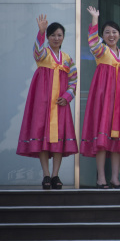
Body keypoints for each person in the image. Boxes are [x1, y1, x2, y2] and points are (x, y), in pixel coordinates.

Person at [17, 15, 78, 189]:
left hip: (60, 105)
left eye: (59, 35)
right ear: (48, 37)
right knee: (42, 138)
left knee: (59, 139)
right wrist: (41, 32)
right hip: (42, 104)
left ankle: (55, 175)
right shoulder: (43, 55)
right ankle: (45, 175)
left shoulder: (67, 59)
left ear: (63, 37)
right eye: (52, 35)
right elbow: (36, 51)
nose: (56, 38)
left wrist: (67, 97)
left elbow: (74, 80)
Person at [81, 6, 120, 189]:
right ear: (103, 36)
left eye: (114, 32)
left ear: (119, 35)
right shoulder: (101, 51)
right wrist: (95, 20)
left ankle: (115, 178)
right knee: (102, 139)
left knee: (117, 142)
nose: (111, 35)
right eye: (107, 32)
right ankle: (101, 178)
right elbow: (92, 42)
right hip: (103, 101)